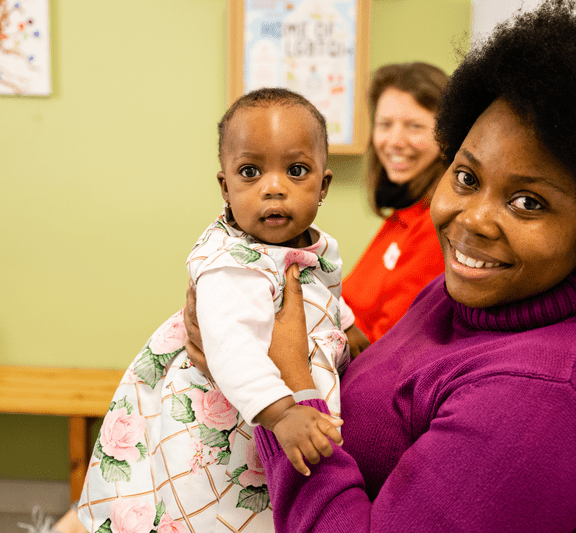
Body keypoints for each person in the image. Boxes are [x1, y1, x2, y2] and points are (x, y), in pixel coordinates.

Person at [185, 0, 576, 531]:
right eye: (467, 178)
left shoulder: (541, 406)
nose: (473, 221)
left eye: (529, 202)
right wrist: (243, 339)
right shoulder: (467, 297)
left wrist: (290, 384)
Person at [77, 88, 364, 533]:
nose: (273, 186)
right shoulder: (231, 264)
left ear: (322, 186)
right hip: (242, 406)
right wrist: (283, 414)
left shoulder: (311, 244)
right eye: (250, 172)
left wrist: (351, 332)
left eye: (296, 170)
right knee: (221, 504)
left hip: (279, 398)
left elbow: (320, 292)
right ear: (225, 186)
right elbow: (231, 350)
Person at [340, 62, 449, 345]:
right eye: (385, 125)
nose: (395, 141)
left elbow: (387, 346)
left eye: (414, 126)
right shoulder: (404, 215)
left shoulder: (437, 224)